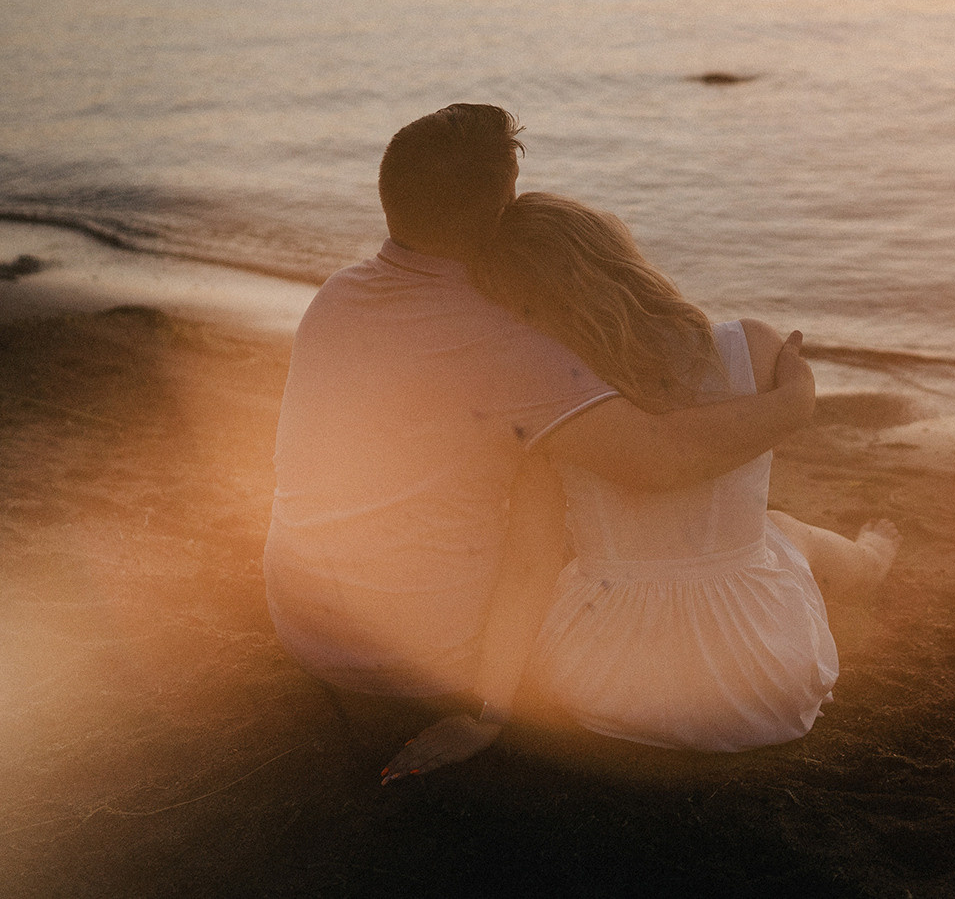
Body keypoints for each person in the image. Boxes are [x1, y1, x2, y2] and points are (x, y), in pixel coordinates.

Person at [264, 105, 817, 741]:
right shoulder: (507, 340)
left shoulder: (336, 297)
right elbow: (660, 459)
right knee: (571, 515)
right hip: (421, 658)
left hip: (305, 625)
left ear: (390, 196)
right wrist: (792, 405)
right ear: (505, 202)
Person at [382, 193, 897, 779]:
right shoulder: (754, 347)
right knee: (777, 529)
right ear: (617, 257)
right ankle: (868, 561)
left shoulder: (551, 405)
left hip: (611, 687)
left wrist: (488, 715)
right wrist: (794, 402)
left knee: (588, 551)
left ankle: (859, 558)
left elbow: (530, 566)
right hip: (762, 680)